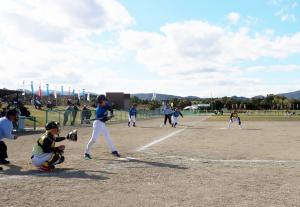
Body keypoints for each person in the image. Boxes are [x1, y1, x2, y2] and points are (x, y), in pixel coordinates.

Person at [84, 95, 120, 160]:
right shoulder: (99, 109)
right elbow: (104, 118)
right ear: (100, 101)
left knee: (108, 137)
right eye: (104, 100)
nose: (105, 102)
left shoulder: (106, 104)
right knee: (94, 139)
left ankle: (114, 150)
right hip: (98, 123)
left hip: (102, 124)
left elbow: (110, 108)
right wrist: (108, 118)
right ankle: (87, 153)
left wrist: (111, 113)